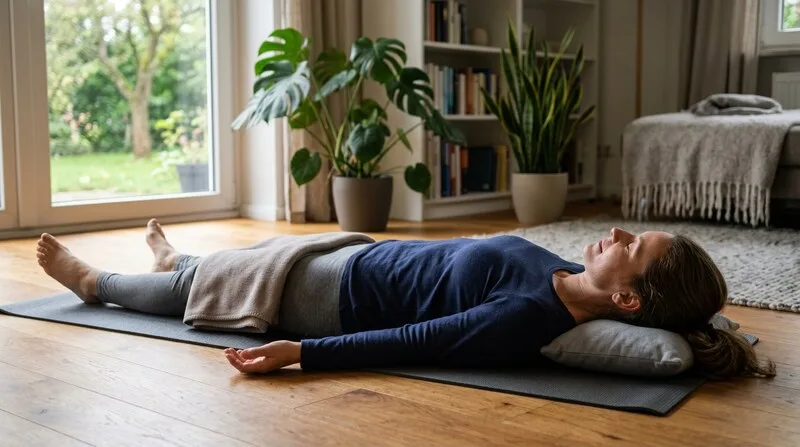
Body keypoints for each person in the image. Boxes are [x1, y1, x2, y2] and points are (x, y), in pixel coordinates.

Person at [35, 218, 775, 380]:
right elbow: (679, 320)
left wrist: (301, 351)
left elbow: (416, 344)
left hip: (328, 296)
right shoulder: (567, 275)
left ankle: (96, 282)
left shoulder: (529, 317)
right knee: (232, 256)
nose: (615, 230)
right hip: (356, 255)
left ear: (629, 298)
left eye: (632, 245)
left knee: (194, 289)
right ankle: (179, 254)